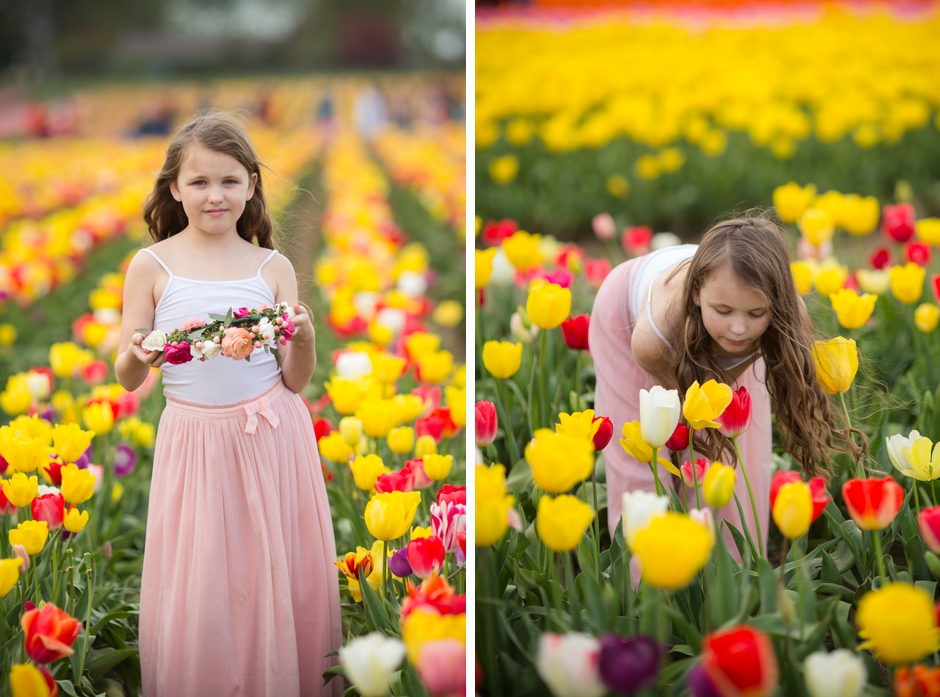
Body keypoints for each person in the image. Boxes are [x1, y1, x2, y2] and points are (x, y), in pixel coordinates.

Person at [115, 110, 341, 697]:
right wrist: (143, 352)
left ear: (250, 188)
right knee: (207, 580)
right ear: (174, 188)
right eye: (199, 182)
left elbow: (295, 382)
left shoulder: (272, 267)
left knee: (270, 571)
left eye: (229, 181)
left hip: (271, 435)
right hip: (196, 443)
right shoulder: (152, 265)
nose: (214, 195)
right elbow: (125, 377)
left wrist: (306, 339)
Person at [589, 212, 860, 550]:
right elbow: (684, 416)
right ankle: (647, 584)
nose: (738, 328)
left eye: (756, 314)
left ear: (776, 307)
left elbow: (722, 384)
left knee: (737, 455)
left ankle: (736, 576)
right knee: (646, 455)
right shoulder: (651, 338)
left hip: (719, 335)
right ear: (697, 295)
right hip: (628, 324)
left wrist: (728, 383)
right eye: (724, 311)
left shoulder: (786, 321)